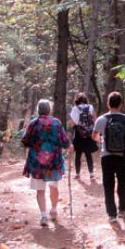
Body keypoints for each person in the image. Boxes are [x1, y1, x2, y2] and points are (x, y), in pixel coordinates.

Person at [21, 99, 70, 227]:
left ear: (38, 110)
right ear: (49, 110)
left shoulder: (33, 124)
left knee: (40, 190)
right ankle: (53, 209)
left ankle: (43, 216)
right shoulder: (56, 123)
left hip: (37, 162)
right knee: (54, 186)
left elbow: (25, 141)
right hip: (54, 161)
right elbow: (65, 142)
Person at [92, 91, 125, 223]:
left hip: (107, 156)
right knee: (123, 183)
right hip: (123, 156)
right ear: (121, 105)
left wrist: (101, 141)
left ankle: (112, 214)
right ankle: (122, 209)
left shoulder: (102, 119)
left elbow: (94, 136)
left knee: (108, 184)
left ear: (108, 104)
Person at [68, 92, 98, 181]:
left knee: (78, 155)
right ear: (85, 100)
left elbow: (72, 123)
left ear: (77, 100)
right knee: (88, 154)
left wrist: (77, 128)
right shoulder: (91, 107)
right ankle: (91, 174)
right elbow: (95, 119)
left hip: (78, 134)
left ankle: (77, 174)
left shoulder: (75, 109)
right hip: (89, 134)